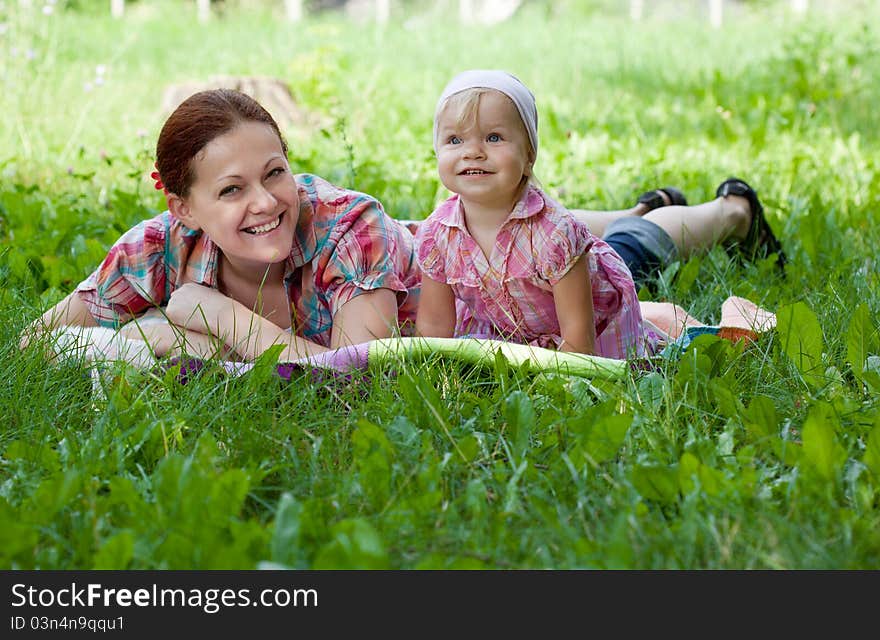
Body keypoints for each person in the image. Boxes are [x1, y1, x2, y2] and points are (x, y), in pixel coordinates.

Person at [22, 89, 421, 362]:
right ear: (185, 209)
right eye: (232, 190)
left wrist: (220, 320)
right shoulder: (159, 247)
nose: (265, 202)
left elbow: (363, 378)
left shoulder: (352, 229)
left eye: (274, 173)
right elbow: (33, 344)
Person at [413, 70, 785, 359]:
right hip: (514, 336)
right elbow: (433, 326)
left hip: (594, 329)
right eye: (455, 140)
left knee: (677, 357)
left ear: (528, 157)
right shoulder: (437, 234)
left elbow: (580, 339)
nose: (473, 152)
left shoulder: (555, 234)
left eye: (494, 138)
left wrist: (559, 382)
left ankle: (736, 320)